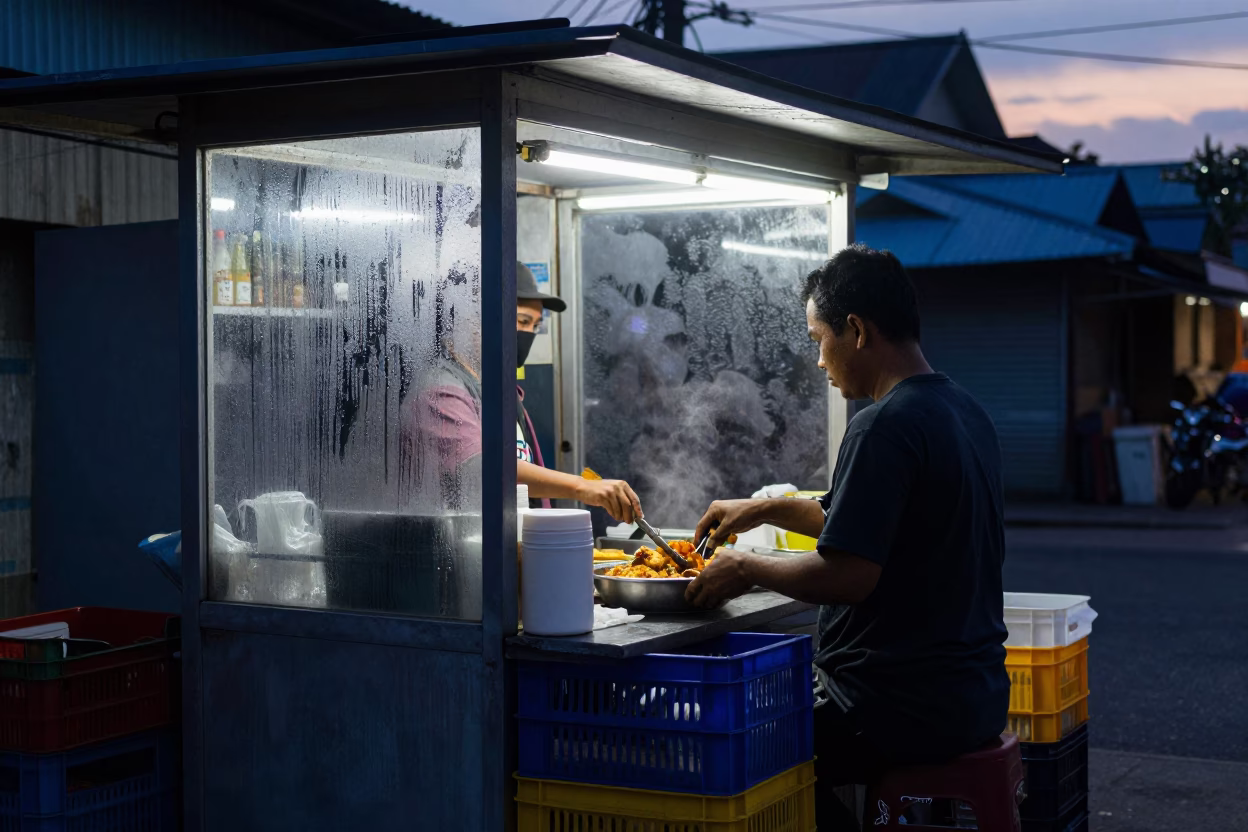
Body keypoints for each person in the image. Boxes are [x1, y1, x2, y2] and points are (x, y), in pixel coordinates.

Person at [685, 244, 1008, 830]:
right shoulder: (963, 411)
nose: (818, 361)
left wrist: (744, 567)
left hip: (895, 706)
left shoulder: (882, 425)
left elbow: (848, 574)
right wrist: (759, 511)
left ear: (855, 330)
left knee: (725, 742)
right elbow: (857, 515)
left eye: (817, 340)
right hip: (973, 693)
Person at [401, 262, 641, 522]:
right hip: (459, 554)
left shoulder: (500, 390)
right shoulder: (439, 392)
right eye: (522, 321)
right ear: (471, 317)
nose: (528, 334)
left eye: (535, 326)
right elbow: (479, 470)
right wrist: (582, 486)